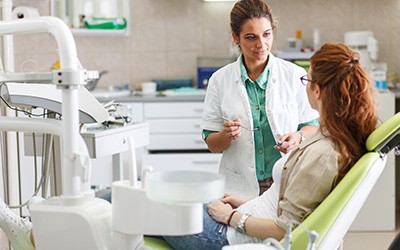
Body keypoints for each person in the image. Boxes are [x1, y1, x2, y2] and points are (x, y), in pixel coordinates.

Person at [0, 43, 380, 250]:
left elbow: (285, 231)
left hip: (228, 233)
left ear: (319, 89)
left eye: (308, 80)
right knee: (136, 189)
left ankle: (34, 233)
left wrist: (233, 218)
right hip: (237, 214)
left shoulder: (324, 152)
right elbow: (281, 204)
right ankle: (41, 228)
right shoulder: (330, 140)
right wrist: (239, 204)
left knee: (124, 196)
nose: (304, 85)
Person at [201, 0, 319, 197]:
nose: (261, 45)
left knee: (282, 228)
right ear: (235, 38)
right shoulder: (220, 80)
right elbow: (212, 144)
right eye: (250, 37)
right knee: (240, 226)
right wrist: (225, 135)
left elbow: (312, 126)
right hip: (239, 185)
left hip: (285, 181)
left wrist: (298, 136)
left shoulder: (294, 74)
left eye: (266, 35)